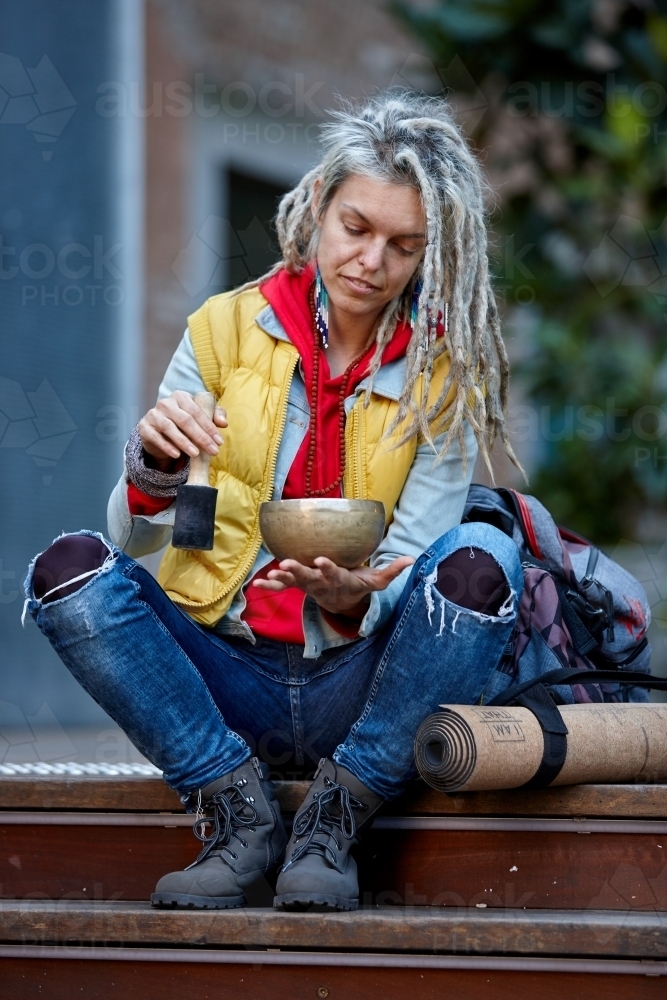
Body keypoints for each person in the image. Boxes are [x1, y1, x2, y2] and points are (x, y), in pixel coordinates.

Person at [24, 93, 525, 912]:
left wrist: (352, 597)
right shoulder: (223, 331)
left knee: (484, 554)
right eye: (355, 228)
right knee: (70, 571)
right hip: (222, 676)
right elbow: (139, 540)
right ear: (318, 207)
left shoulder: (442, 374)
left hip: (362, 687)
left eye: (404, 246)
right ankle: (235, 811)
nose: (371, 261)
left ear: (430, 254)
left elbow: (421, 550)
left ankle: (339, 813)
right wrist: (155, 465)